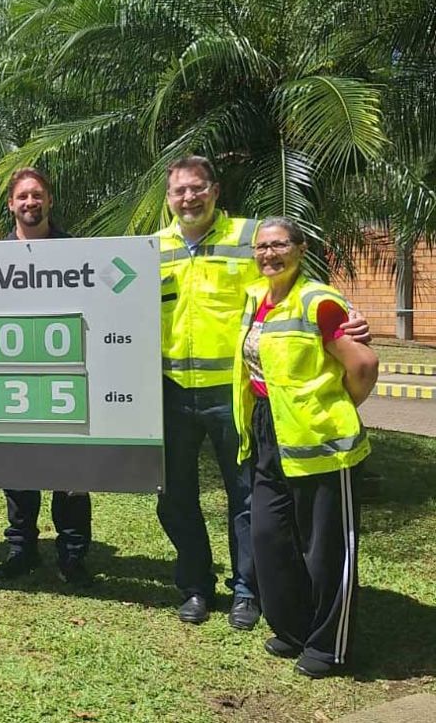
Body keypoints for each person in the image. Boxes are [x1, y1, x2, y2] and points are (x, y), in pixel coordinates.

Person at [156, 155, 370, 629]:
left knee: (246, 497)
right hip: (171, 394)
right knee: (174, 497)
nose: (189, 198)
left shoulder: (248, 238)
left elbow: (292, 281)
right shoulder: (153, 249)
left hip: (235, 395)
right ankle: (194, 586)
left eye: (197, 188)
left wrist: (346, 314)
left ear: (215, 191)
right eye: (179, 191)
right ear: (168, 198)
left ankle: (246, 591)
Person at [234, 216, 376, 678]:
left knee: (326, 549)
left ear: (300, 249)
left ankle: (328, 645)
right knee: (270, 537)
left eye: (279, 245)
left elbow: (363, 364)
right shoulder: (256, 298)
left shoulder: (319, 301)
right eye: (261, 247)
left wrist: (337, 408)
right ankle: (294, 628)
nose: (269, 254)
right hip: (268, 432)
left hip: (322, 442)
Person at [0, 167, 92, 585]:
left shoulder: (75, 252)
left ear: (49, 200)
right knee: (17, 469)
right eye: (22, 196)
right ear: (11, 205)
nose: (30, 202)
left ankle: (72, 556)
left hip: (66, 376)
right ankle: (22, 549)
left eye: (37, 195)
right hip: (13, 377)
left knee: (72, 474)